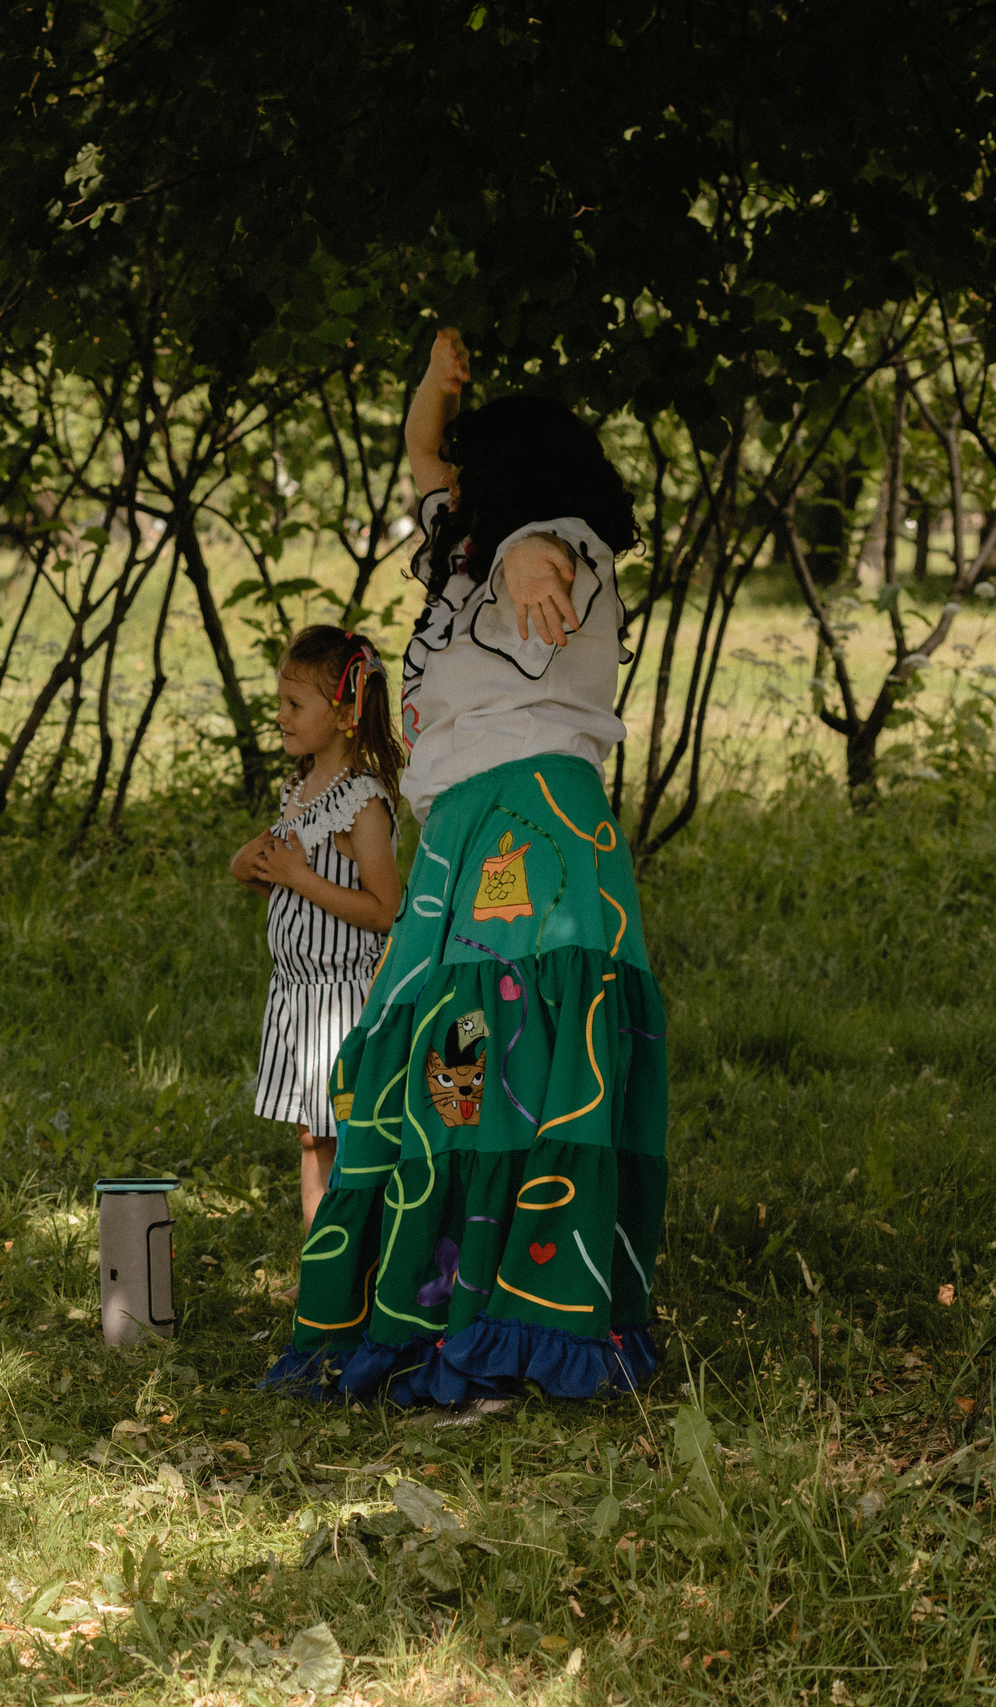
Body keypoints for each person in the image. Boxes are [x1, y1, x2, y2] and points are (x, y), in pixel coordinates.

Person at [267, 329, 666, 1407]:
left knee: (508, 1064)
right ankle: (446, 1303)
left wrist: (530, 554)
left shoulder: (553, 541)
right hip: (464, 834)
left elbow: (545, 554)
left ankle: (509, 1329)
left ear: (518, 479)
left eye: (480, 469)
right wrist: (434, 392)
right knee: (447, 1068)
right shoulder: (462, 540)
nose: (457, 483)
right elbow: (425, 460)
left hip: (528, 830)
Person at [230, 626, 403, 1230]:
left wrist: (299, 878)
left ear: (345, 712)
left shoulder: (363, 803)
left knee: (352, 1142)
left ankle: (359, 1272)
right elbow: (288, 881)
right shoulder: (299, 791)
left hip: (345, 1002)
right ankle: (321, 1269)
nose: (280, 715)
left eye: (293, 705)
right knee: (313, 1139)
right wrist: (249, 869)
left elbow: (385, 909)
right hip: (298, 999)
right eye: (280, 701)